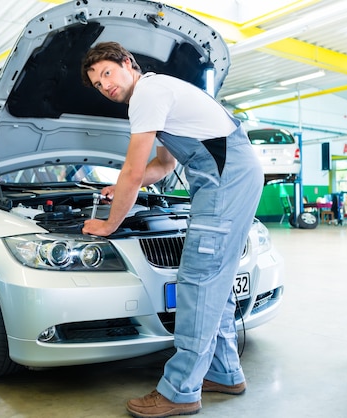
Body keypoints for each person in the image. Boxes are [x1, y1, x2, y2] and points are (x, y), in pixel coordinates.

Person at [81, 42, 264, 418]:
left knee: (197, 279)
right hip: (228, 177)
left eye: (107, 73)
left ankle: (179, 391)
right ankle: (224, 372)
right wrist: (122, 190)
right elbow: (161, 166)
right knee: (215, 280)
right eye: (97, 83)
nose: (105, 85)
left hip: (225, 181)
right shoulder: (159, 91)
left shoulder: (147, 94)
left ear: (127, 64)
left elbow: (133, 170)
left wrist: (108, 224)